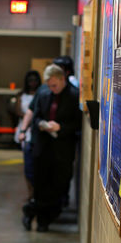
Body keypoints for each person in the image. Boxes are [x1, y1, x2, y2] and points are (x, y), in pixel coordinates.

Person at [19, 64, 82, 232]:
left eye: (54, 85)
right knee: (41, 184)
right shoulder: (44, 92)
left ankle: (31, 211)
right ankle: (41, 221)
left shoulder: (74, 95)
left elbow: (78, 123)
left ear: (62, 80)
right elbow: (35, 115)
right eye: (49, 85)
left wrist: (60, 127)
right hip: (43, 145)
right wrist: (41, 124)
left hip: (62, 148)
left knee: (58, 186)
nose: (52, 88)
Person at [14, 70, 42, 201]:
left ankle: (37, 192)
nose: (32, 83)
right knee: (27, 163)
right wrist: (28, 119)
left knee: (36, 163)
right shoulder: (21, 95)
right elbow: (17, 111)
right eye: (30, 80)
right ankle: (30, 192)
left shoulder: (41, 93)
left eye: (35, 80)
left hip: (37, 130)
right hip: (25, 131)